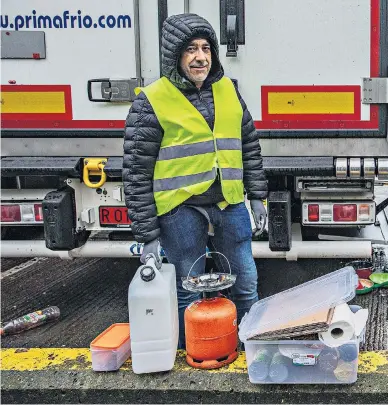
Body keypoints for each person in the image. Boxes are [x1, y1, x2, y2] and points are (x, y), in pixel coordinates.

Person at [122, 13, 268, 349]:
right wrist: (147, 235)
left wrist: (257, 196)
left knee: (245, 283)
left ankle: (250, 348)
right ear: (175, 55)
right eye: (190, 50)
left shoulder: (228, 91)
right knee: (190, 290)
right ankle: (199, 351)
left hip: (228, 202)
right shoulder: (152, 100)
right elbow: (136, 172)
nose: (200, 57)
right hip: (180, 209)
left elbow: (249, 146)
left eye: (205, 48)